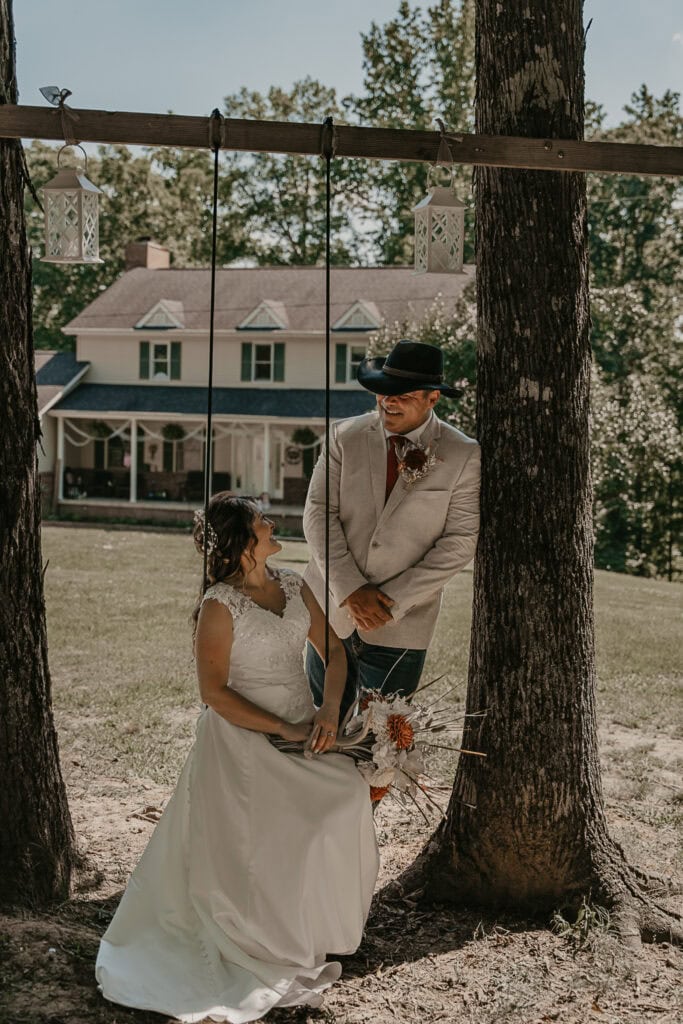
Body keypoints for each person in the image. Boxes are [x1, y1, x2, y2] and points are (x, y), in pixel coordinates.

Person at [96, 494, 379, 1022]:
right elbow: (214, 693)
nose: (273, 524)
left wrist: (326, 711)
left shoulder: (294, 584)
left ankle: (312, 926)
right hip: (245, 735)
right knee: (281, 822)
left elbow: (336, 652)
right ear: (243, 543)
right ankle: (260, 932)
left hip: (306, 723)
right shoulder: (220, 605)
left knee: (345, 795)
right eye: (262, 522)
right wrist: (283, 727)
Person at [304, 339, 480, 715]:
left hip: (401, 624)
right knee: (319, 726)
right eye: (383, 392)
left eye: (402, 395)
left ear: (433, 399)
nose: (388, 402)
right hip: (329, 613)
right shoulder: (343, 437)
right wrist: (350, 589)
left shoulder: (463, 454)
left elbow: (461, 542)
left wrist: (389, 603)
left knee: (380, 746)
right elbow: (319, 513)